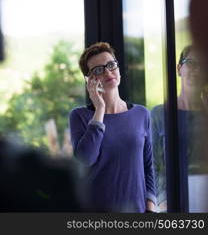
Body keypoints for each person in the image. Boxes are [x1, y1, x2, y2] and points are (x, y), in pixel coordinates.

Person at [69, 42, 156, 212]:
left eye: (111, 65)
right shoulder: (79, 116)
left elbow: (148, 166)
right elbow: (85, 160)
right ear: (89, 80)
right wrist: (100, 109)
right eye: (99, 70)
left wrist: (150, 208)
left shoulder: (141, 114)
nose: (108, 72)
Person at [151, 45, 208, 212]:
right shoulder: (160, 114)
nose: (195, 70)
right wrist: (162, 201)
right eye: (190, 62)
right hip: (171, 202)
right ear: (179, 68)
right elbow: (153, 163)